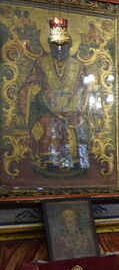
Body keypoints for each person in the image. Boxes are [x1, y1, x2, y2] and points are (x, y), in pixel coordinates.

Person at [19, 38, 92, 177]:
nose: (59, 49)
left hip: (73, 110)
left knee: (78, 127)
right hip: (47, 110)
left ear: (70, 46)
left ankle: (76, 163)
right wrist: (38, 88)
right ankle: (49, 164)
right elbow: (28, 88)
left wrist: (78, 107)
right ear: (49, 46)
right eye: (55, 46)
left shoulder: (78, 66)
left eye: (63, 46)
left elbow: (85, 89)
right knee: (49, 125)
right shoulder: (41, 63)